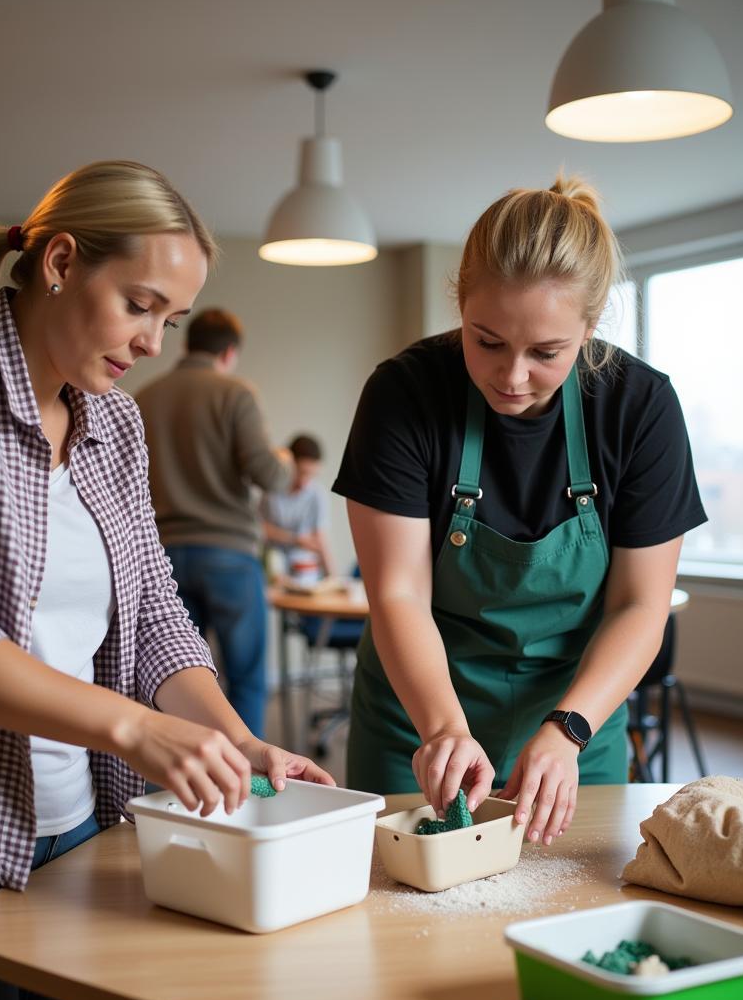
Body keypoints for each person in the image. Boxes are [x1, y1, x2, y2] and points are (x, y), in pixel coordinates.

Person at [0, 161, 332, 1000]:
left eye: (173, 318)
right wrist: (136, 729)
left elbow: (155, 612)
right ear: (60, 262)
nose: (154, 342)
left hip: (73, 818)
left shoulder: (113, 419)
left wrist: (239, 742)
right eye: (140, 305)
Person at [334, 175, 705, 849]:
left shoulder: (640, 408)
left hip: (576, 723)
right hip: (416, 717)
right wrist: (444, 729)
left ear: (589, 328)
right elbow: (397, 593)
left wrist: (568, 730)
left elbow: (639, 608)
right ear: (460, 305)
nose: (511, 376)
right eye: (488, 341)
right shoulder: (405, 394)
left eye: (546, 353)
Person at [136, 308, 292, 737]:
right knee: (244, 676)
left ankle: (176, 788)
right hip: (228, 556)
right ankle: (249, 787)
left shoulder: (144, 397)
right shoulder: (235, 393)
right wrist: (285, 459)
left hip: (162, 558)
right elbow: (271, 477)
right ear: (228, 352)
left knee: (173, 678)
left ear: (187, 344)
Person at [262, 433, 335, 583]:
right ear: (289, 464)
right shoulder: (271, 490)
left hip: (304, 570)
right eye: (301, 473)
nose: (304, 481)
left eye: (311, 475)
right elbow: (262, 529)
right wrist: (296, 539)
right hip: (272, 566)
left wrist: (333, 579)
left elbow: (320, 540)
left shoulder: (317, 495)